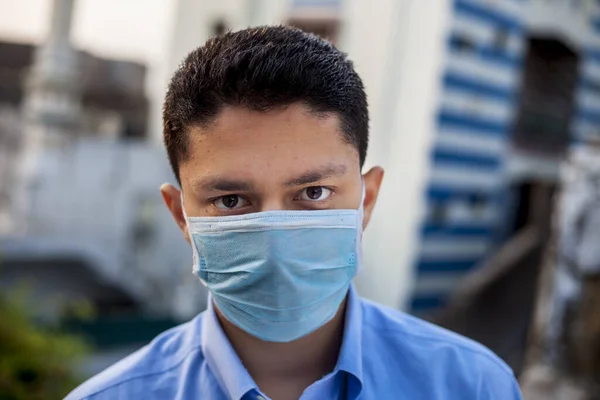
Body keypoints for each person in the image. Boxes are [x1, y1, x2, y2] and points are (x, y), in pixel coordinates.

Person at [66, 25, 523, 400]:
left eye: (314, 192)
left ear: (367, 198)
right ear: (181, 214)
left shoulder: (473, 385)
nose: (275, 237)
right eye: (231, 200)